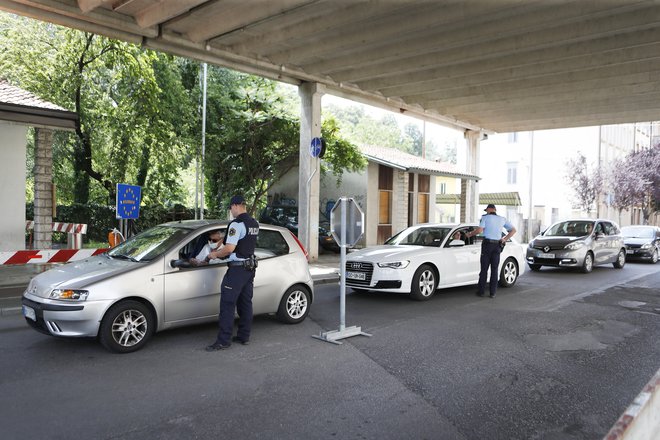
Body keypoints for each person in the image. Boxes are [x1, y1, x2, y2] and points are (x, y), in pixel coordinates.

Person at [205, 195, 259, 351]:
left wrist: (214, 254)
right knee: (245, 303)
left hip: (237, 270)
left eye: (230, 208)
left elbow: (229, 248)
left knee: (227, 305)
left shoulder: (237, 224)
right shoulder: (254, 223)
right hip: (250, 269)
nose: (231, 211)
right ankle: (244, 336)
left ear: (236, 206)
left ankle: (223, 341)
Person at [467, 204, 516, 298]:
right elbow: (513, 230)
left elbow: (479, 230)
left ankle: (481, 291)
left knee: (484, 269)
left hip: (487, 245)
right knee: (494, 269)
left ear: (490, 209)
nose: (486, 212)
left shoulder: (485, 218)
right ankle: (492, 293)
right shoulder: (502, 219)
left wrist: (470, 234)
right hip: (497, 245)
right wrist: (504, 239)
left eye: (487, 210)